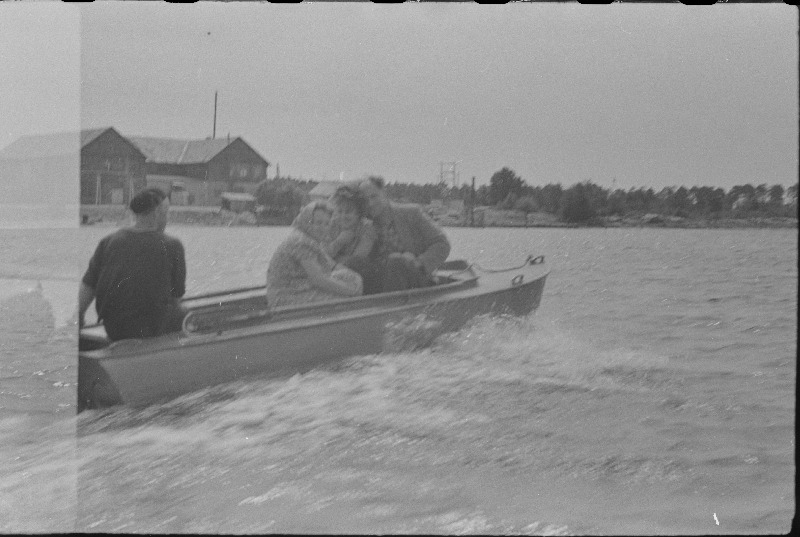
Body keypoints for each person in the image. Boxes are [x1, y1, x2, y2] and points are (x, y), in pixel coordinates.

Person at [78, 188, 187, 341]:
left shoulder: (108, 241)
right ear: (157, 213)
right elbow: (177, 297)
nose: (167, 218)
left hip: (114, 329)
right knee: (191, 317)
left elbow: (88, 285)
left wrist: (80, 317)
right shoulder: (172, 245)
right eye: (166, 212)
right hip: (153, 329)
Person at [347, 176, 451, 294]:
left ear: (384, 193)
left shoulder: (411, 213)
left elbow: (442, 243)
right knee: (355, 262)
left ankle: (390, 306)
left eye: (374, 196)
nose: (370, 203)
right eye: (365, 200)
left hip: (414, 278)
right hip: (382, 279)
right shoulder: (364, 223)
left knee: (395, 261)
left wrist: (419, 262)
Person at [266, 201, 363, 307]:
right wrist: (351, 291)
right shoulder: (301, 242)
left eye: (326, 223)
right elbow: (318, 279)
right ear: (307, 222)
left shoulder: (309, 239)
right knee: (346, 300)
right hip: (286, 296)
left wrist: (355, 278)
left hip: (299, 287)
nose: (323, 228)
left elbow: (331, 265)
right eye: (318, 223)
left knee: (349, 277)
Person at [326, 182, 377, 265]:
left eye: (348, 212)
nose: (343, 216)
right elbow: (321, 255)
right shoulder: (332, 224)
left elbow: (357, 260)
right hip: (331, 269)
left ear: (359, 213)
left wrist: (333, 260)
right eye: (339, 211)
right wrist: (339, 242)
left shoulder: (367, 229)